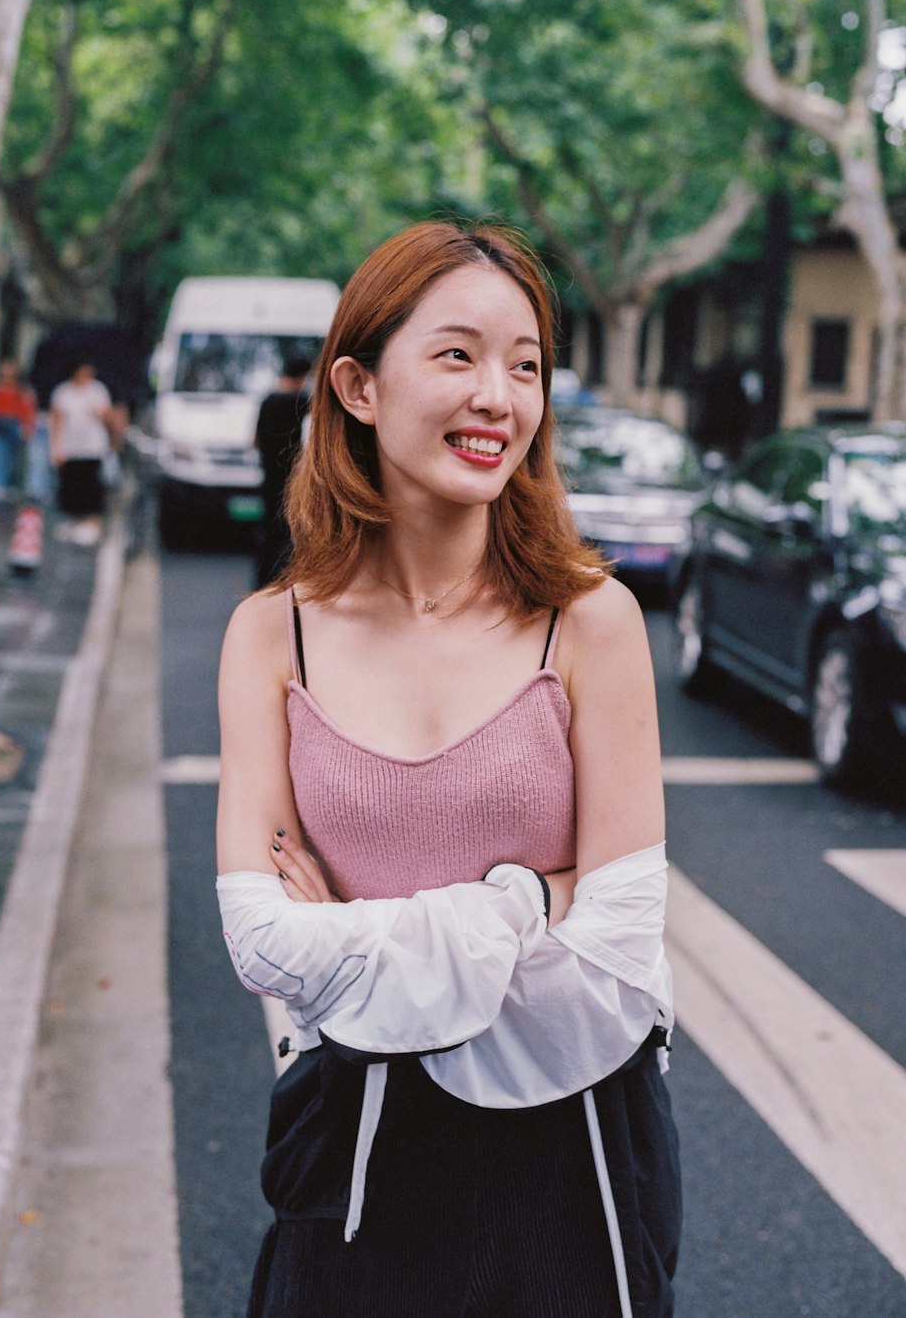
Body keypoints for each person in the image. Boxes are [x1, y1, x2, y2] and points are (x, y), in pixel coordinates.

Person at [216, 222, 681, 1318]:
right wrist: (528, 900)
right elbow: (265, 939)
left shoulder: (590, 620)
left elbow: (617, 943)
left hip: (579, 1143)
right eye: (458, 355)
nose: (500, 397)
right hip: (354, 1132)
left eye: (526, 366)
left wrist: (369, 936)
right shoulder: (267, 636)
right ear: (358, 387)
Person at [255, 355, 313, 586]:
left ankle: (262, 581)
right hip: (290, 477)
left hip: (268, 474)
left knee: (267, 531)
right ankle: (281, 580)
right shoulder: (299, 401)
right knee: (286, 533)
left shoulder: (268, 400)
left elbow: (255, 439)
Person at [49, 362, 112, 545]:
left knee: (91, 486)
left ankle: (93, 524)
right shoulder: (63, 392)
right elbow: (57, 420)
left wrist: (100, 414)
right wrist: (56, 447)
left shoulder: (97, 390)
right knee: (71, 486)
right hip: (71, 447)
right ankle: (75, 522)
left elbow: (108, 415)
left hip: (92, 447)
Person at [0, 359, 36, 501]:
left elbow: (27, 408)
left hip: (15, 424)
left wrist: (27, 425)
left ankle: (12, 484)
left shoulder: (22, 390)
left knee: (15, 457)